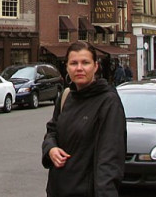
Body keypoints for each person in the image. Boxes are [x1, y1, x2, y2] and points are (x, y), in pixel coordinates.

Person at [42, 42, 126, 197]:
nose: (79, 68)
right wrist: (51, 149)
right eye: (74, 63)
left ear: (95, 66)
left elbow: (109, 159)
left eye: (85, 63)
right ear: (66, 67)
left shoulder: (108, 102)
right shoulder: (66, 97)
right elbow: (52, 131)